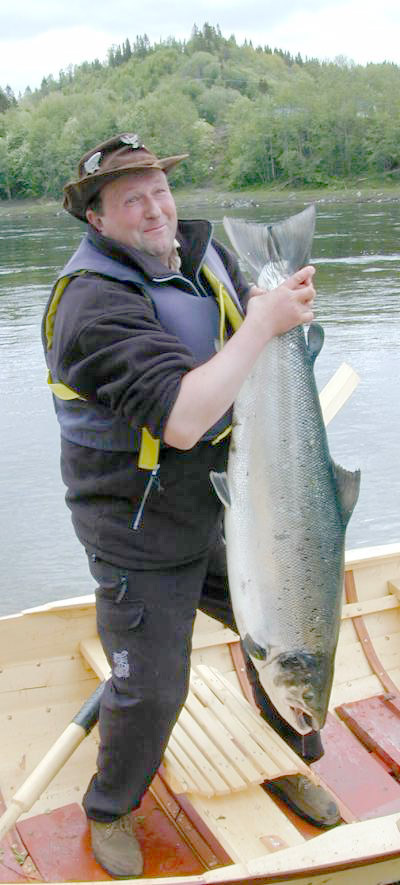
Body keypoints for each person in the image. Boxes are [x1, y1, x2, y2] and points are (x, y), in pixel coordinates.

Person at [42, 133, 340, 878]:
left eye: (160, 191)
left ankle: (288, 751)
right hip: (134, 522)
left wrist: (284, 312)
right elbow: (180, 417)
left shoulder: (206, 256)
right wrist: (266, 324)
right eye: (131, 199)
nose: (155, 210)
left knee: (288, 624)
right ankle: (110, 806)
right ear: (97, 219)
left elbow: (258, 342)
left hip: (230, 504)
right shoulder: (91, 307)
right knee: (153, 684)